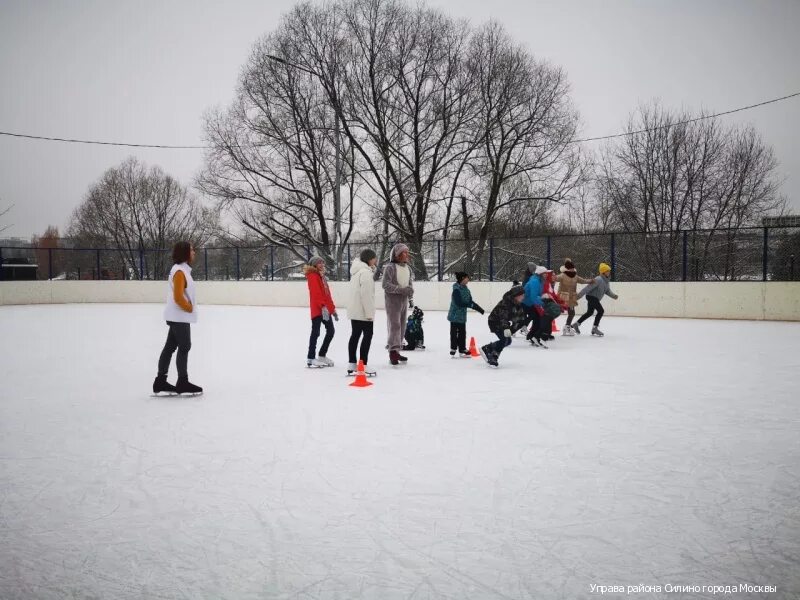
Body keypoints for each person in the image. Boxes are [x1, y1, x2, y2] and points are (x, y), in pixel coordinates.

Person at [153, 241, 202, 395]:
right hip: (179, 316)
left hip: (176, 316)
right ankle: (182, 382)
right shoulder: (180, 271)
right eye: (192, 250)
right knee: (185, 346)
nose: (194, 252)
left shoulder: (182, 270)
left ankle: (160, 381)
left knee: (170, 347)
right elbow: (178, 297)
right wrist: (190, 307)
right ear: (185, 253)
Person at [346, 249, 378, 376]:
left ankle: (352, 363)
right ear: (369, 259)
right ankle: (362, 364)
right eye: (374, 258)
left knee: (355, 335)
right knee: (368, 335)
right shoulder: (365, 273)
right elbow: (366, 295)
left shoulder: (356, 272)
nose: (375, 261)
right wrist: (369, 313)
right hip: (363, 312)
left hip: (355, 310)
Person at [382, 243, 414, 365]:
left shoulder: (408, 268)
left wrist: (410, 293)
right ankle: (393, 351)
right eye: (404, 252)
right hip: (392, 301)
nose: (406, 255)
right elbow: (385, 284)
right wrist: (401, 290)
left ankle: (398, 349)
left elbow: (409, 283)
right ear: (397, 255)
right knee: (394, 325)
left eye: (407, 252)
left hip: (404, 301)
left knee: (402, 325)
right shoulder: (390, 267)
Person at [480, 285, 526, 367]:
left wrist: (522, 324)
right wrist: (505, 328)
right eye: (521, 295)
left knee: (508, 341)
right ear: (516, 295)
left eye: (523, 295)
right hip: (494, 321)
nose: (523, 297)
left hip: (504, 323)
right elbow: (503, 317)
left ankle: (488, 348)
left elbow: (521, 316)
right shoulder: (506, 303)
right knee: (505, 340)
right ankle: (493, 355)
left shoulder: (518, 303)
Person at [305, 256, 337, 367]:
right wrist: (322, 306)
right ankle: (311, 357)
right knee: (316, 333)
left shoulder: (322, 276)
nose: (322, 264)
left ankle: (322, 355)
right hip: (317, 309)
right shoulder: (312, 276)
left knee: (331, 331)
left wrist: (332, 310)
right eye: (319, 263)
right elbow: (316, 293)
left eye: (323, 262)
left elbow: (327, 295)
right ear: (314, 265)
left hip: (325, 309)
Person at [574, 262, 619, 336]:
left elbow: (607, 291)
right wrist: (579, 296)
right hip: (591, 297)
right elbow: (587, 288)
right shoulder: (598, 279)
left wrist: (613, 296)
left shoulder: (606, 281)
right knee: (601, 311)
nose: (609, 272)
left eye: (609, 271)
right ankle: (595, 328)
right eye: (607, 271)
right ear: (603, 272)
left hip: (595, 298)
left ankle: (576, 324)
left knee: (590, 312)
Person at [447, 271, 485, 357]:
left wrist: (479, 309)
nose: (468, 279)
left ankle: (462, 349)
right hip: (454, 315)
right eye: (467, 277)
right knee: (454, 333)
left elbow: (470, 301)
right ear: (462, 279)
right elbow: (459, 303)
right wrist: (470, 305)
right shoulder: (456, 290)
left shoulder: (466, 290)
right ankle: (453, 348)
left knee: (462, 333)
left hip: (462, 316)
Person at [555, 258, 593, 336]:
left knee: (572, 313)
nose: (572, 269)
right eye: (571, 268)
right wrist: (548, 277)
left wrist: (590, 281)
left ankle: (567, 327)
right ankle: (545, 324)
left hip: (571, 298)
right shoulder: (563, 275)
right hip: (562, 297)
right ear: (568, 269)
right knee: (556, 312)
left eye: (573, 268)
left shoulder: (575, 276)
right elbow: (555, 278)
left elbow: (583, 281)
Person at [522, 265, 549, 346]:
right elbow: (533, 297)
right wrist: (543, 303)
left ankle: (531, 336)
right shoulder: (535, 281)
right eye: (545, 273)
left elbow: (537, 295)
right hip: (526, 303)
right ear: (540, 274)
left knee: (537, 318)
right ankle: (532, 336)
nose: (546, 275)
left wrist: (542, 298)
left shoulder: (539, 281)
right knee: (537, 318)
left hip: (530, 302)